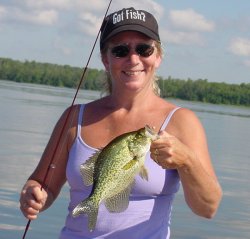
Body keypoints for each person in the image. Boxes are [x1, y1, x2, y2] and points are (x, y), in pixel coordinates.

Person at [19, 7, 222, 239]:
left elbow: (208, 208)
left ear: (158, 57)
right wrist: (33, 194)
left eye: (144, 49)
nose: (133, 59)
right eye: (120, 50)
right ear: (106, 59)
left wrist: (187, 160)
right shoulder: (74, 118)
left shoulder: (182, 121)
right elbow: (42, 184)